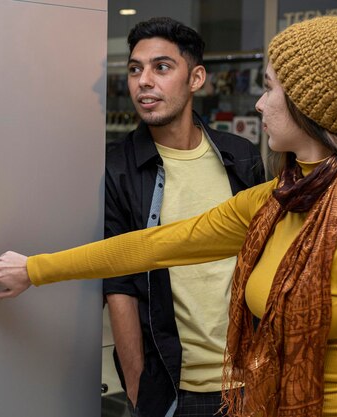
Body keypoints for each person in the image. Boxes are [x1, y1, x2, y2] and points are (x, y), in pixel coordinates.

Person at [0, 5, 337, 417]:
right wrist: (34, 269)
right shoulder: (274, 201)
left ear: (309, 105)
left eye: (270, 88)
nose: (259, 103)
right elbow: (155, 245)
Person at [103, 17, 264, 417]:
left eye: (161, 67)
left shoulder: (240, 157)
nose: (144, 81)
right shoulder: (117, 168)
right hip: (176, 391)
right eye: (135, 69)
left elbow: (262, 257)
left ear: (196, 78)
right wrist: (140, 388)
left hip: (249, 379)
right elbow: (119, 282)